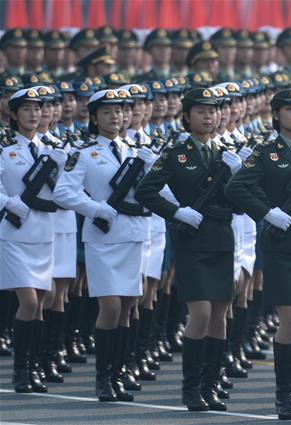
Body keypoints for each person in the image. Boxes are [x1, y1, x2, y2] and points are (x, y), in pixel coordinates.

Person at [225, 88, 291, 420]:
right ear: (276, 115)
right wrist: (266, 212)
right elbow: (237, 187)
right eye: (290, 109)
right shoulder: (266, 153)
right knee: (290, 320)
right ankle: (284, 396)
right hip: (283, 245)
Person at [135, 87, 244, 412]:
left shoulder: (227, 155)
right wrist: (176, 211)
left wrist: (239, 176)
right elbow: (146, 191)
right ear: (187, 117)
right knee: (200, 313)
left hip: (222, 240)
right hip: (192, 243)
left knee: (220, 314)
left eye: (213, 111)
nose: (209, 116)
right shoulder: (176, 154)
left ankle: (210, 385)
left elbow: (242, 201)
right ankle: (191, 388)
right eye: (201, 111)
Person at [53, 88, 152, 402]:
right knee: (109, 307)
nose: (115, 117)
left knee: (126, 309)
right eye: (107, 112)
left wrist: (151, 167)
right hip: (104, 239)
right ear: (94, 117)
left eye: (120, 111)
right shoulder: (83, 153)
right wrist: (95, 208)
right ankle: (102, 379)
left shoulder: (138, 150)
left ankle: (118, 375)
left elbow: (151, 191)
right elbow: (63, 192)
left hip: (134, 234)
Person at [1, 87, 65, 394]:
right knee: (27, 301)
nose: (34, 114)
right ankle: (20, 371)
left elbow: (63, 191)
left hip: (44, 232)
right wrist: (6, 202)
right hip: (14, 235)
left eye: (38, 108)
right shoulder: (4, 146)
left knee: (43, 302)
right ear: (14, 114)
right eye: (26, 109)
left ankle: (34, 366)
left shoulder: (51, 148)